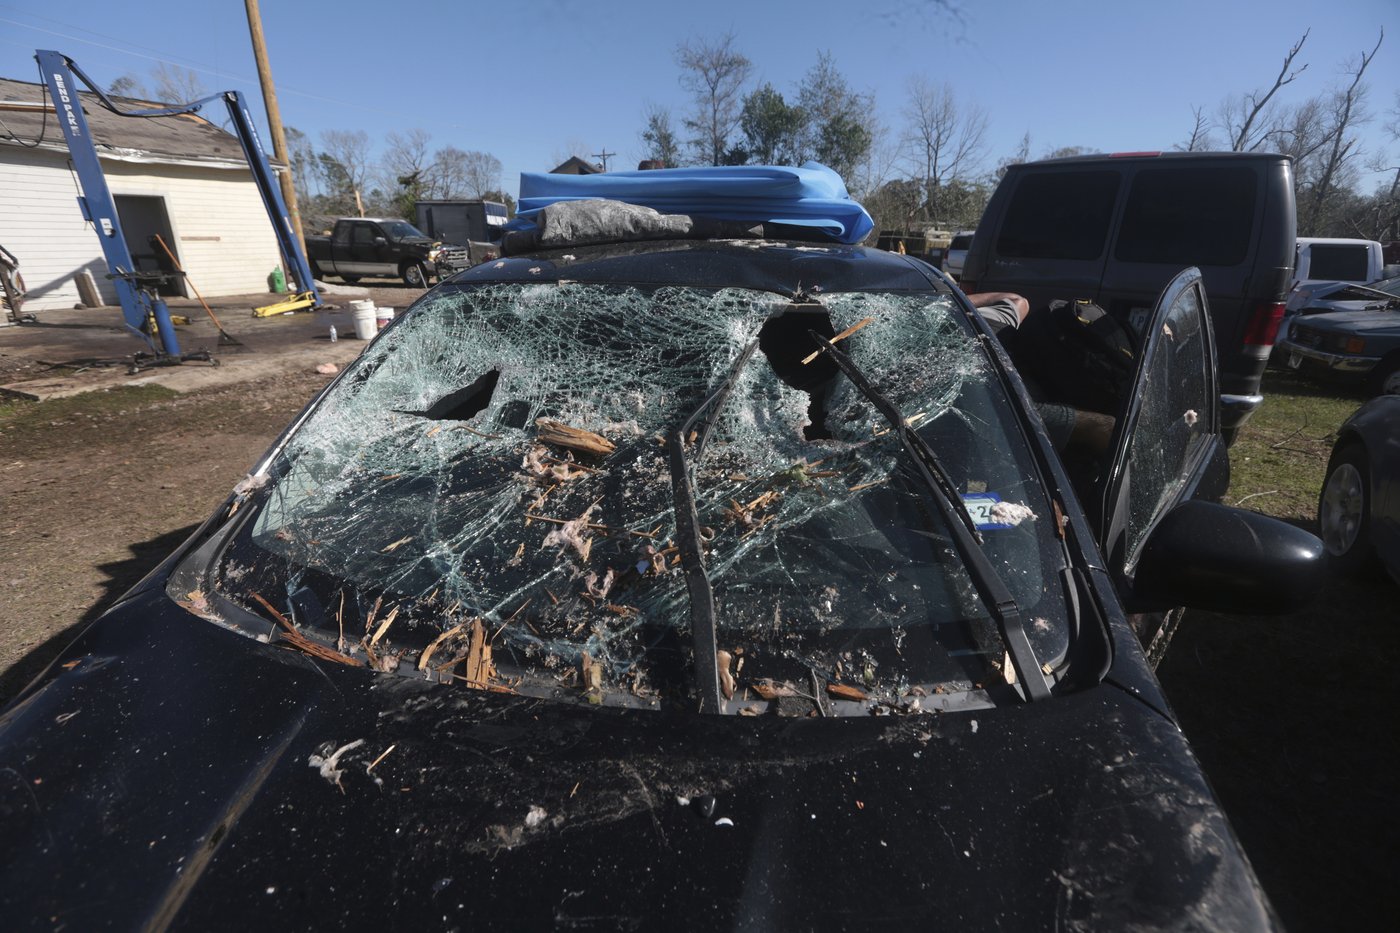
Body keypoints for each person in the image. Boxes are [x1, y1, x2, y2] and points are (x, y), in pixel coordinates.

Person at [965, 291, 1115, 458]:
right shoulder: (976, 321)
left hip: (1034, 391)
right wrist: (954, 299)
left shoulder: (980, 321)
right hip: (1004, 406)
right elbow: (1017, 300)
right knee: (1105, 427)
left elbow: (1017, 301)